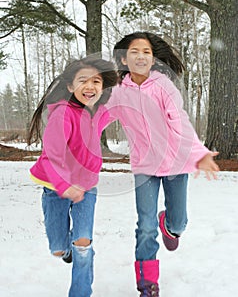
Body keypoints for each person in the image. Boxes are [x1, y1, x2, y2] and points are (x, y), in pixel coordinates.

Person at [106, 32, 219, 296]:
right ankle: (147, 284)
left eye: (146, 51)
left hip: (175, 164)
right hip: (145, 167)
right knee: (145, 225)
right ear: (123, 58)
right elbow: (99, 116)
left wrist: (198, 153)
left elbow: (180, 123)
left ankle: (167, 224)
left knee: (178, 224)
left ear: (153, 57)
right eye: (135, 51)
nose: (141, 56)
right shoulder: (119, 93)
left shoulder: (163, 86)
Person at [27, 56, 117, 297]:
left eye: (96, 81)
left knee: (83, 244)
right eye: (83, 80)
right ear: (70, 86)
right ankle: (65, 250)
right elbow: (51, 157)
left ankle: (80, 291)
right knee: (57, 248)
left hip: (86, 188)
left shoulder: (98, 112)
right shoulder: (62, 115)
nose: (90, 86)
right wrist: (64, 185)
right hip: (54, 187)